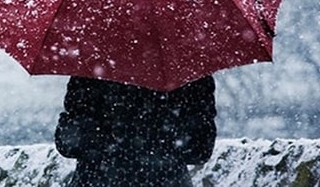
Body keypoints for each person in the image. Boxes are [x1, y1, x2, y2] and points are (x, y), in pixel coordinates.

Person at [54, 75, 217, 187]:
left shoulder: (93, 66)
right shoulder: (187, 70)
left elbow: (68, 144)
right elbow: (200, 150)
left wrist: (110, 141)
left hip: (98, 180)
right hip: (167, 180)